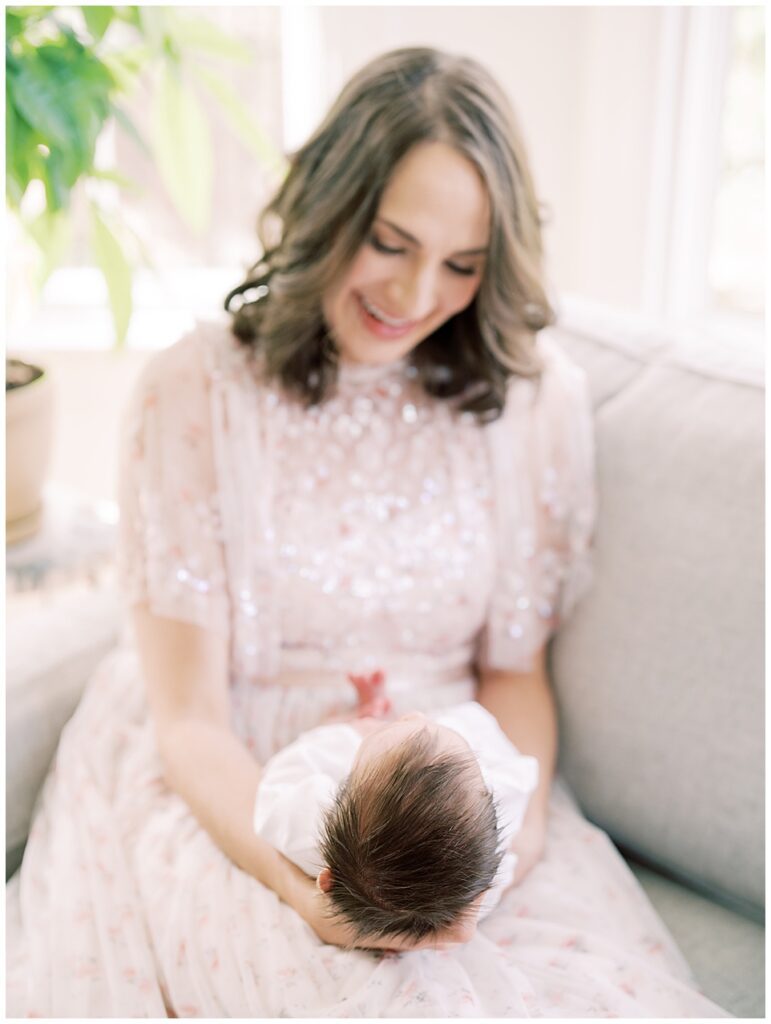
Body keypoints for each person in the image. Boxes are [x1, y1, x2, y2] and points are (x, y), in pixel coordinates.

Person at [6, 46, 727, 1016]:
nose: (417, 293)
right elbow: (187, 719)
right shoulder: (196, 391)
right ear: (330, 209)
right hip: (238, 785)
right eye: (390, 241)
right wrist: (301, 885)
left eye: (462, 264)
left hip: (455, 795)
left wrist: (496, 855)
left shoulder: (531, 406)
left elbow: (515, 677)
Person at [252, 701, 540, 946]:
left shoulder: (309, 825)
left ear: (326, 882)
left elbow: (282, 775)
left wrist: (349, 732)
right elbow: (518, 763)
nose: (414, 714)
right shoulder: (504, 795)